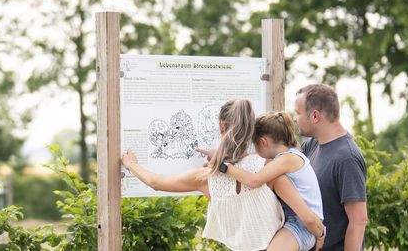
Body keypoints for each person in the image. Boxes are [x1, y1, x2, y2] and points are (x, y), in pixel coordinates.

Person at [120, 99, 316, 251]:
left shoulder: (205, 177)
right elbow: (306, 215)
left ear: (222, 126)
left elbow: (155, 182)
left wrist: (130, 164)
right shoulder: (270, 169)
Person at [223, 111, 326, 251]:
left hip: (303, 227)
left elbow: (254, 181)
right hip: (299, 223)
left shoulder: (288, 159)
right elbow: (248, 159)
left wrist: (223, 167)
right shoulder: (289, 156)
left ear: (263, 142)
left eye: (254, 144)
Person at [295, 84, 367, 251]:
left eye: (298, 113)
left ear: (314, 116)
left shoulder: (347, 158)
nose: (294, 118)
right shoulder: (311, 145)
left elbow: (358, 220)